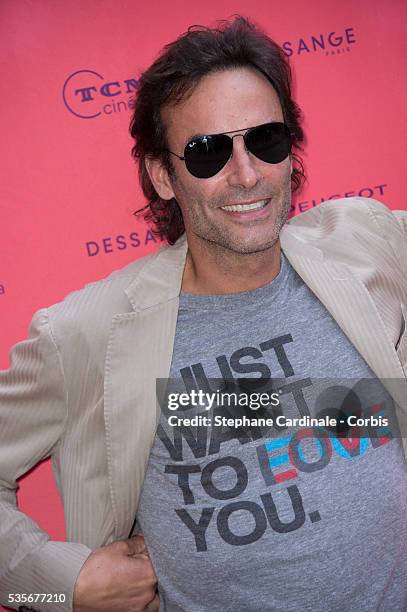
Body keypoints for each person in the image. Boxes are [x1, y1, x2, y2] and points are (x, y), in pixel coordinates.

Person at [1, 15, 406, 612]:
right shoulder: (87, 333)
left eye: (266, 139)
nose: (246, 175)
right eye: (207, 152)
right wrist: (59, 587)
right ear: (163, 176)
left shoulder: (364, 241)